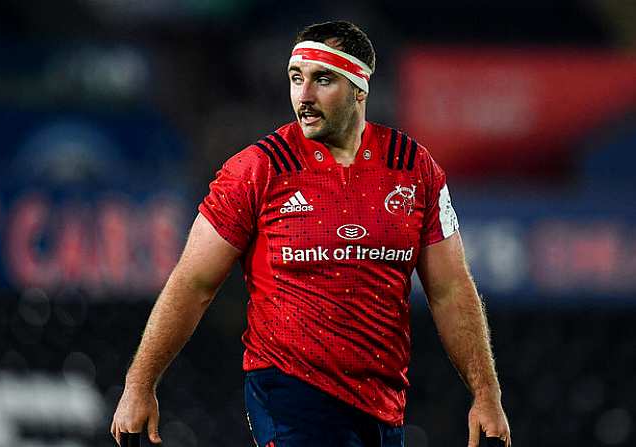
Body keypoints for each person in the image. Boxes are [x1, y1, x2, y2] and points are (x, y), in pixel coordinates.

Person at [110, 21, 511, 447]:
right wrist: (139, 384)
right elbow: (193, 281)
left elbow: (450, 288)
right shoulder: (257, 169)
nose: (304, 95)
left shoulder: (414, 169)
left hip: (383, 404)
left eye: (323, 80)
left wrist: (486, 394)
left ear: (360, 88)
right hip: (288, 389)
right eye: (296, 78)